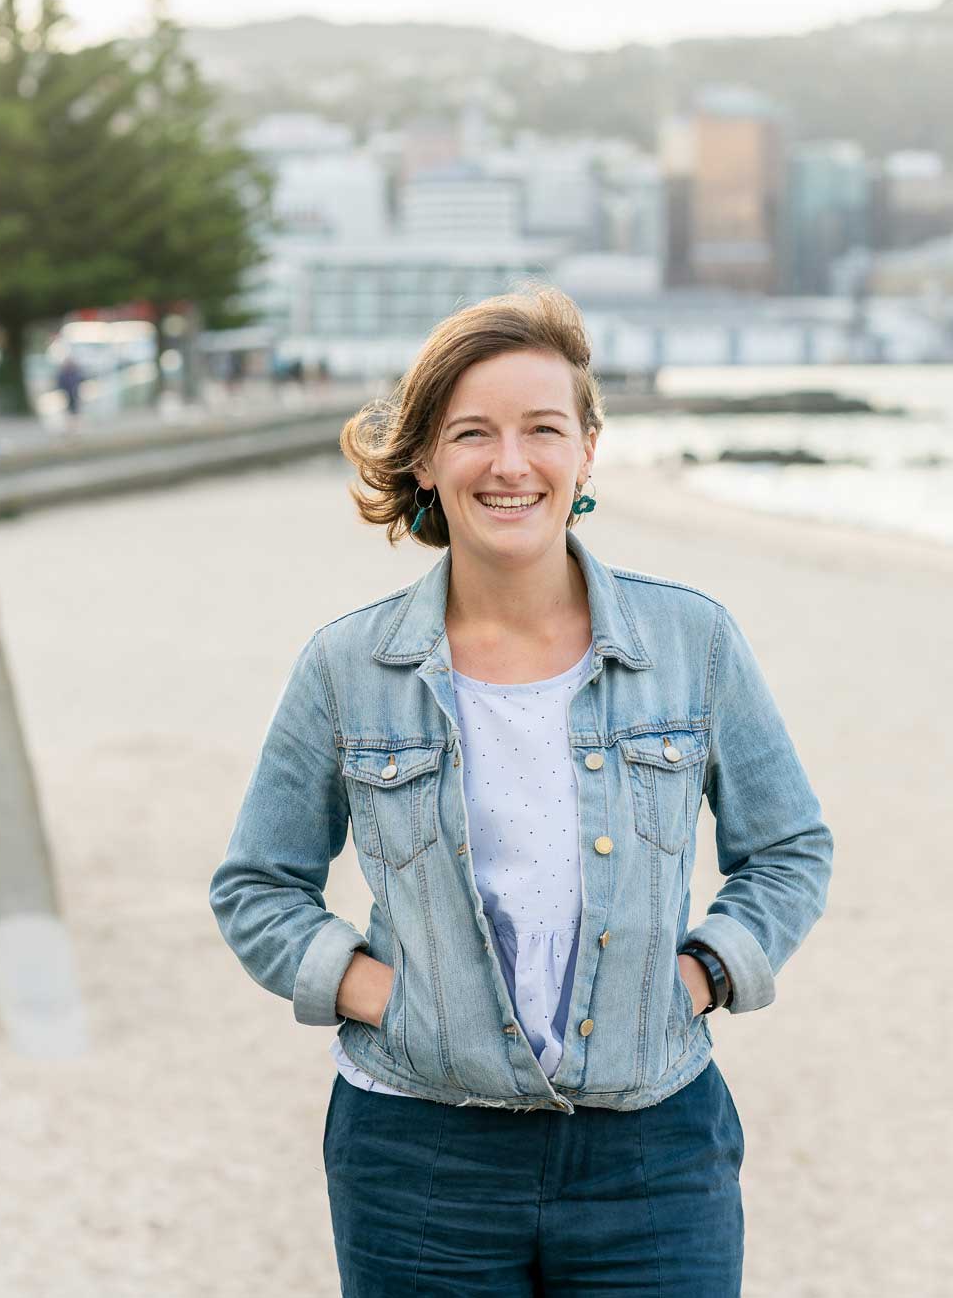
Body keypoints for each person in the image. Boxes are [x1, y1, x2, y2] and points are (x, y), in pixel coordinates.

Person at [209, 286, 833, 1296]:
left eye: (542, 428)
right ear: (422, 458)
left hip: (654, 1157)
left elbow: (789, 850)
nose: (509, 463)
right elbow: (256, 885)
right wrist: (381, 995)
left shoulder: (692, 643)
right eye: (471, 433)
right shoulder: (346, 665)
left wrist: (704, 974)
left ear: (586, 448)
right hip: (416, 1159)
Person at [56, 353, 83, 418]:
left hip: (74, 392)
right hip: (67, 392)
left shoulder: (75, 372)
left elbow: (80, 380)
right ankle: (71, 420)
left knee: (75, 407)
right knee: (69, 407)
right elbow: (60, 382)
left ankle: (74, 419)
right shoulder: (63, 374)